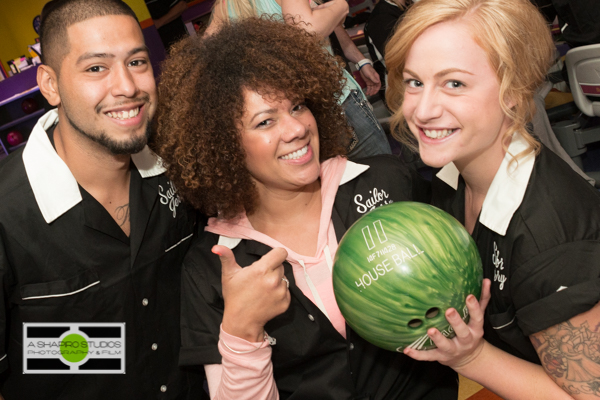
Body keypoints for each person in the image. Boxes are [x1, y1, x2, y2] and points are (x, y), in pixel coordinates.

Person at [152, 17, 457, 400]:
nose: (295, 128)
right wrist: (243, 330)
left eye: (297, 106)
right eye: (265, 121)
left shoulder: (385, 182)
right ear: (223, 146)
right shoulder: (212, 265)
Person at [385, 0, 600, 398]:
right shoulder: (452, 178)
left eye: (454, 83)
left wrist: (470, 358)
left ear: (514, 93)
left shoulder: (547, 233)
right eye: (415, 82)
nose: (423, 110)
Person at [0, 0, 205, 398]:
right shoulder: (8, 216)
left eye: (137, 62)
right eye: (96, 68)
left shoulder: (181, 166)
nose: (127, 87)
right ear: (50, 85)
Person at [205, 0, 393, 160]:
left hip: (288, 119)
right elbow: (307, 29)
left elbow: (206, 56)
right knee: (386, 186)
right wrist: (341, 5)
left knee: (341, 196)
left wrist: (360, 60)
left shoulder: (225, 5)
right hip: (335, 105)